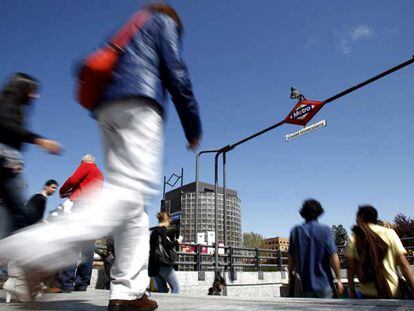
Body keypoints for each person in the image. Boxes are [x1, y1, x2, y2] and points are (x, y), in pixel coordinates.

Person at [0, 3, 202, 311]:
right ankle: (36, 249)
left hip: (108, 108)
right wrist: (193, 126)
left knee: (134, 209)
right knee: (130, 191)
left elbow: (86, 65)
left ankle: (127, 292)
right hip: (140, 104)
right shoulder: (163, 21)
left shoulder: (130, 28)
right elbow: (176, 70)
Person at [0, 73, 61, 237]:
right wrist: (40, 140)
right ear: (22, 88)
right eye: (32, 91)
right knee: (21, 215)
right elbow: (9, 128)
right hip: (4, 169)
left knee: (13, 217)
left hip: (8, 169)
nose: (35, 96)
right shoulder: (4, 105)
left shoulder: (17, 111)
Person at [47, 154, 103, 293]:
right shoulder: (99, 174)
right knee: (88, 250)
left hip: (81, 207)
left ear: (84, 161)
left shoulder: (86, 165)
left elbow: (73, 179)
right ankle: (82, 284)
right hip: (93, 210)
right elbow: (83, 186)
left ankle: (65, 283)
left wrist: (62, 191)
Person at [345, 205, 414, 299]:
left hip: (369, 294)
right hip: (392, 291)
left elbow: (350, 267)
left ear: (361, 217)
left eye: (356, 217)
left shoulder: (354, 237)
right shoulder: (389, 233)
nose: (355, 220)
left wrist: (352, 292)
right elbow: (403, 263)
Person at [288, 199, 344, 298]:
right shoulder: (325, 230)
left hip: (303, 286)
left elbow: (290, 260)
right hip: (324, 284)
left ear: (303, 213)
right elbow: (333, 256)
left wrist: (290, 280)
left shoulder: (295, 231)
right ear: (319, 212)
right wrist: (339, 280)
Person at [149, 212, 181, 294]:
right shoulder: (162, 230)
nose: (169, 224)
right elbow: (166, 245)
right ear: (167, 220)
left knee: (162, 291)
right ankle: (174, 306)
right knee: (176, 288)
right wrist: (177, 242)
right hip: (163, 264)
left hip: (153, 266)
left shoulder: (153, 232)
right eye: (169, 222)